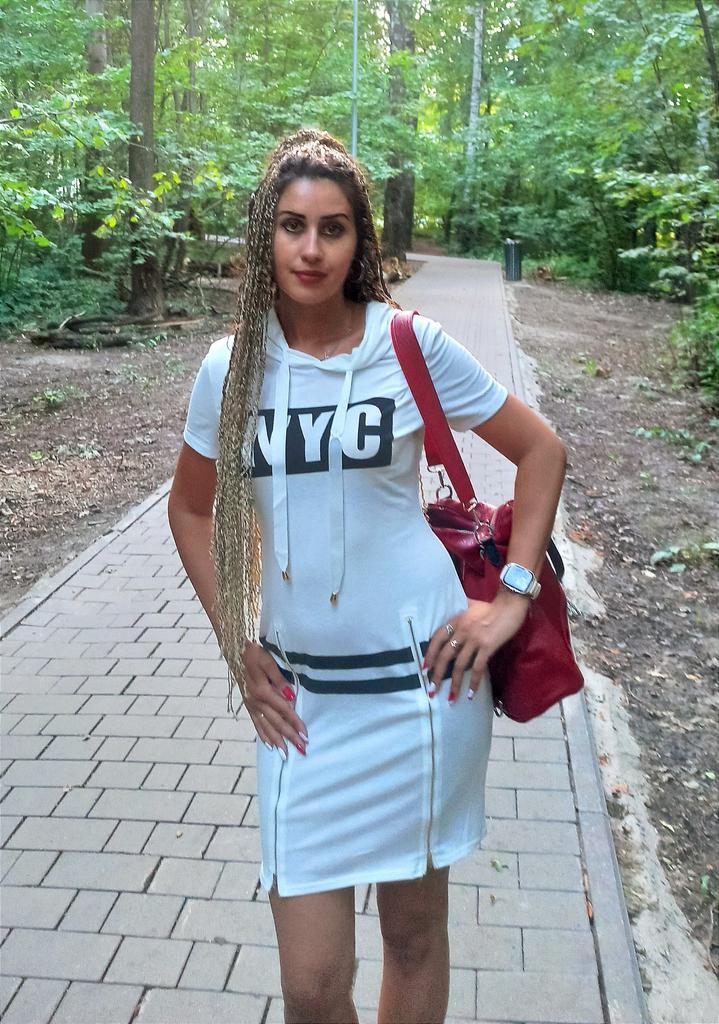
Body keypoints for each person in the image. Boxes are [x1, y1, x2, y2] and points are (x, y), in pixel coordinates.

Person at [168, 128, 567, 1024]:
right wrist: (235, 641)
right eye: (292, 225)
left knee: (413, 938)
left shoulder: (409, 345)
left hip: (422, 692)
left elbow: (540, 451)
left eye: (333, 228)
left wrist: (511, 599)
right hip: (299, 705)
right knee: (310, 987)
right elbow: (189, 508)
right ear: (264, 236)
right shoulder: (231, 369)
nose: (310, 249)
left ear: (360, 242)